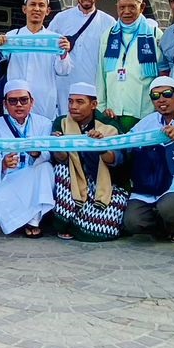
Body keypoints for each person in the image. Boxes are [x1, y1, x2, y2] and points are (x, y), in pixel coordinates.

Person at [123, 77, 174, 242]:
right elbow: (126, 142)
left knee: (170, 208)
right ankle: (166, 225)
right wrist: (103, 139)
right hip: (150, 186)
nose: (161, 99)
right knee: (132, 222)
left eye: (167, 94)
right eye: (155, 96)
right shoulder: (148, 122)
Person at [50, 82, 129, 241]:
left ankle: (80, 222)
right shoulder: (62, 122)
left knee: (105, 227)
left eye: (80, 102)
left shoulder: (108, 124)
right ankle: (69, 221)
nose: (73, 106)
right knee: (61, 170)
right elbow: (61, 159)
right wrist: (58, 145)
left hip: (105, 182)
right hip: (74, 181)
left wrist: (100, 147)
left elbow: (118, 160)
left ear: (93, 105)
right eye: (70, 101)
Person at [0, 79, 55, 238]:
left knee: (46, 169)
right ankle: (18, 221)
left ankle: (33, 221)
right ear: (5, 104)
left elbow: (50, 153)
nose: (19, 105)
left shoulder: (44, 123)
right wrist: (3, 163)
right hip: (6, 177)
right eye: (13, 101)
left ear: (32, 102)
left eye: (23, 100)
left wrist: (38, 154)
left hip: (33, 173)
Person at [0, 0, 72, 124]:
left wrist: (63, 53)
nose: (37, 9)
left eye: (41, 5)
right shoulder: (12, 36)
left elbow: (63, 71)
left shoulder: (55, 39)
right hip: (16, 100)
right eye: (32, 4)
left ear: (47, 11)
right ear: (24, 9)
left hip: (44, 101)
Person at [47, 0, 116, 115]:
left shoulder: (109, 23)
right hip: (65, 88)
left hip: (94, 88)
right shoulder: (61, 19)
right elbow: (48, 49)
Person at [97, 0, 161, 131]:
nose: (126, 11)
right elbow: (101, 74)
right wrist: (102, 107)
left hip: (145, 112)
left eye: (132, 7)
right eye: (122, 7)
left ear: (142, 7)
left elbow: (161, 74)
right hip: (113, 112)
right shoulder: (108, 35)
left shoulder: (154, 35)